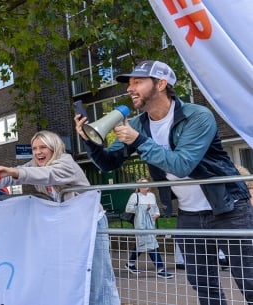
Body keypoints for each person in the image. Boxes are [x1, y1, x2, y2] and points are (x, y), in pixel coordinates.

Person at [74, 60, 253, 305]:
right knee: (202, 283)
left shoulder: (198, 116)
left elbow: (182, 164)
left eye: (138, 82)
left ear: (161, 84)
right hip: (189, 214)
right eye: (129, 83)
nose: (130, 88)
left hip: (228, 208)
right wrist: (90, 141)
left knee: (248, 278)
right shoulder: (137, 124)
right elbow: (108, 163)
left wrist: (139, 142)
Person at [0, 130, 120, 305]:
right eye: (34, 148)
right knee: (73, 276)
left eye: (43, 147)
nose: (38, 152)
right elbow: (7, 178)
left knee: (99, 277)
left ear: (54, 147)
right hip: (66, 226)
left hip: (89, 223)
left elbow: (43, 175)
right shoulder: (34, 165)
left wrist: (13, 172)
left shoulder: (66, 163)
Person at [124, 177, 173, 279]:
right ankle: (160, 269)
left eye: (147, 184)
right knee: (151, 244)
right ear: (138, 187)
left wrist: (157, 214)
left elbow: (155, 208)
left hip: (151, 224)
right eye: (142, 184)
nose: (145, 186)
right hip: (141, 224)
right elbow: (128, 209)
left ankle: (130, 263)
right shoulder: (135, 196)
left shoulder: (152, 195)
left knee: (141, 244)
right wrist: (143, 208)